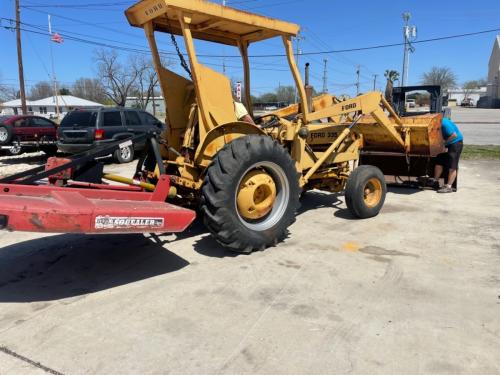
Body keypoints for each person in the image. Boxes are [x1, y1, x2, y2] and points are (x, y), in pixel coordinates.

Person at [433, 117, 464, 193]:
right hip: (448, 143)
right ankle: (435, 181)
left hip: (455, 143)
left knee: (452, 166)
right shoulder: (437, 123)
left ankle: (449, 186)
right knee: (439, 161)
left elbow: (454, 135)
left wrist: (444, 144)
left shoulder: (444, 123)